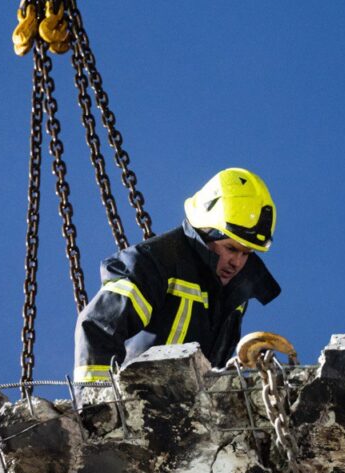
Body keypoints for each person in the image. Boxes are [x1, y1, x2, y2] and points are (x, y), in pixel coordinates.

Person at [73, 167, 281, 391]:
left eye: (246, 253)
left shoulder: (234, 289)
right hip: (140, 401)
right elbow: (99, 325)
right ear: (205, 231)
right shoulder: (155, 264)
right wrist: (95, 403)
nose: (237, 262)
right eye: (231, 248)